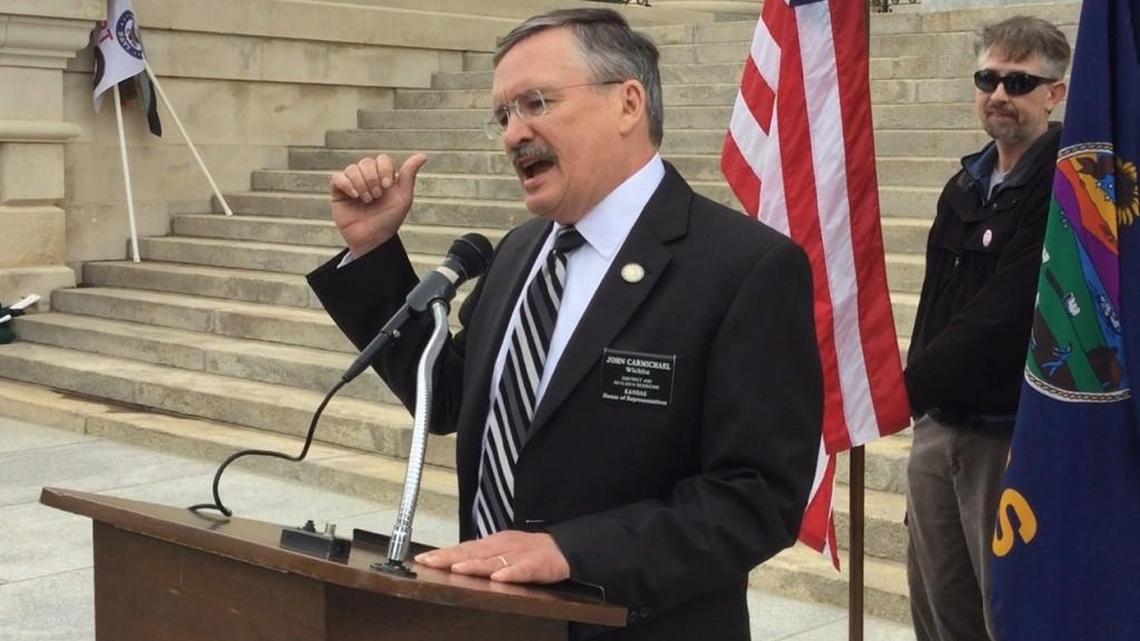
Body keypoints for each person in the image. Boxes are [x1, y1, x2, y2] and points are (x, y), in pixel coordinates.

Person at [308, 9, 823, 641]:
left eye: (536, 103)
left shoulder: (744, 268)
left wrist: (572, 552)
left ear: (628, 103)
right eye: (503, 115)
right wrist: (374, 253)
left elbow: (756, 499)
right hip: (502, 623)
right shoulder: (520, 252)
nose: (511, 134)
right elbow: (447, 396)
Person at [904, 16, 1070, 641]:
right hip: (937, 426)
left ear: (1054, 93)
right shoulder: (964, 184)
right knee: (940, 610)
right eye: (989, 78)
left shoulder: (1063, 185)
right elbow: (933, 308)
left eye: (1020, 81)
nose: (1000, 93)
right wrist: (919, 401)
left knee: (1005, 613)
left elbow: (1007, 311)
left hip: (1006, 438)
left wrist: (904, 386)